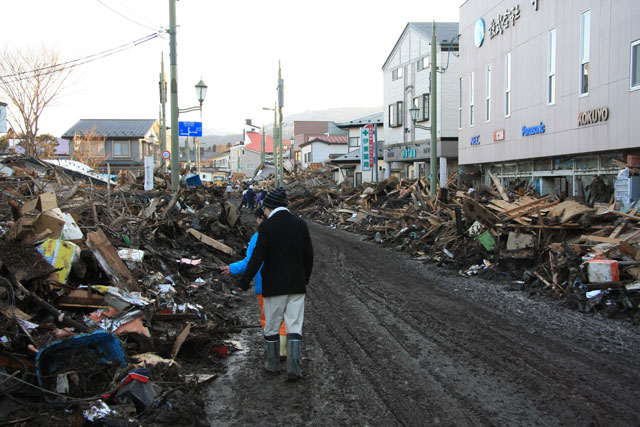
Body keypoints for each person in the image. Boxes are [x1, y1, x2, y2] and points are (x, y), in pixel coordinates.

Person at [238, 188, 313, 381]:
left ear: (268, 208)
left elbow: (257, 257)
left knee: (272, 326)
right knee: (294, 326)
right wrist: (304, 279)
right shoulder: (300, 224)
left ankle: (272, 366)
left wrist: (245, 281)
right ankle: (294, 369)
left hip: (274, 285)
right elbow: (308, 256)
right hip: (296, 285)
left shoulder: (267, 227)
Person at [220, 208, 288, 356]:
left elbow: (250, 261)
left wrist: (232, 268)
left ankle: (273, 350)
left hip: (264, 283)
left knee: (268, 317)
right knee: (281, 315)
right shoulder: (285, 234)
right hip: (284, 282)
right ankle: (283, 350)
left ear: (260, 218)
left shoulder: (258, 237)